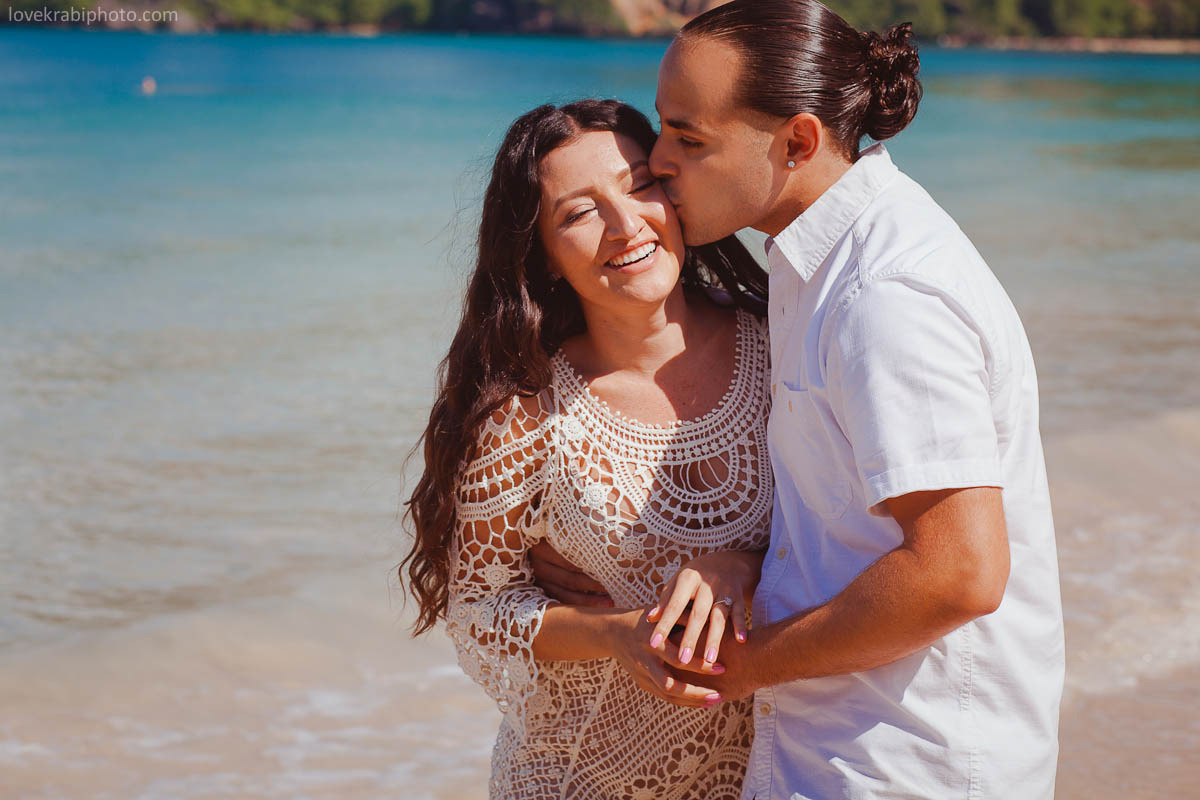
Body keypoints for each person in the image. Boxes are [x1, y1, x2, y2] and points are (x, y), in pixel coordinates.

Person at [534, 2, 1066, 798]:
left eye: (689, 137)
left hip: (906, 770)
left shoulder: (886, 295)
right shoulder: (815, 266)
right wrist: (731, 565)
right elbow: (851, 523)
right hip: (847, 754)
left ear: (797, 142)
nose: (662, 162)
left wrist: (745, 666)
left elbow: (959, 571)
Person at [401, 99, 776, 799]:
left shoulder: (786, 346)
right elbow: (477, 610)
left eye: (642, 184)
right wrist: (613, 633)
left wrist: (743, 564)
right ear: (540, 252)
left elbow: (865, 529)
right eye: (578, 213)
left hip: (767, 773)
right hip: (574, 778)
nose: (626, 224)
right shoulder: (530, 413)